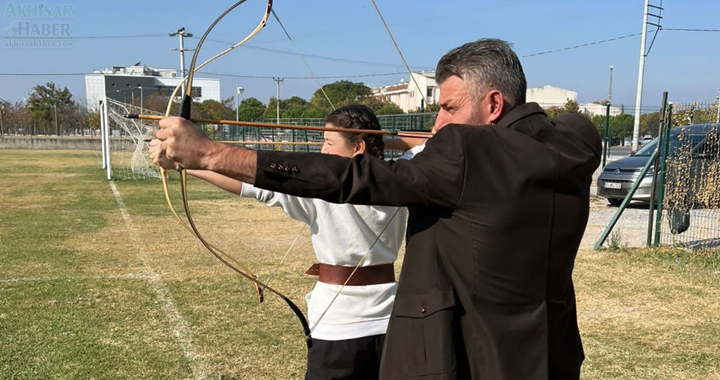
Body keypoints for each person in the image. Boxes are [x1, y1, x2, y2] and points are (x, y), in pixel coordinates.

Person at [154, 39, 602, 380]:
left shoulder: (465, 154)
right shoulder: (575, 141)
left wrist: (209, 154)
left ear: (493, 105)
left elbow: (352, 177)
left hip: (475, 360)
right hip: (552, 355)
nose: (438, 124)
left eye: (448, 107)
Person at [151, 104, 415, 380]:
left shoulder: (320, 189)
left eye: (328, 143)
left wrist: (185, 163)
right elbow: (428, 139)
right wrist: (379, 140)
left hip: (340, 328)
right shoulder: (401, 177)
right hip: (392, 323)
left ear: (358, 146)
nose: (323, 152)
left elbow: (247, 185)